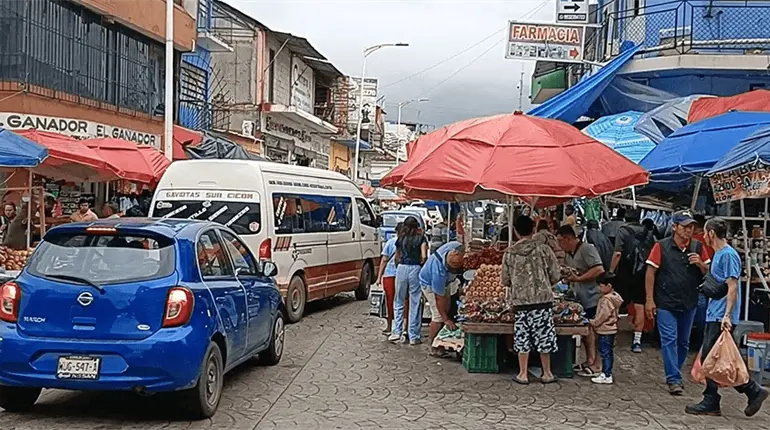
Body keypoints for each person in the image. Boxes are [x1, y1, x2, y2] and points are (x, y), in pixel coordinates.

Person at [686, 217, 770, 417]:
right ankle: (743, 392)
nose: (704, 236)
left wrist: (727, 316)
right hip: (714, 313)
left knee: (713, 359)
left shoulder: (728, 255)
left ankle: (725, 396)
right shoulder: (718, 255)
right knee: (713, 358)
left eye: (705, 233)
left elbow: (732, 287)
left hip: (720, 316)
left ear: (711, 234)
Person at [645, 210, 711, 395]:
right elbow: (650, 272)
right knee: (669, 340)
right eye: (685, 227)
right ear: (674, 227)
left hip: (689, 301)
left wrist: (701, 264)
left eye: (691, 227)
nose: (688, 230)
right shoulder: (661, 247)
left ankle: (675, 372)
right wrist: (650, 300)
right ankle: (673, 378)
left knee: (683, 342)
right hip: (665, 301)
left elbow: (710, 272)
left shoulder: (698, 247)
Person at [503, 215, 561, 385]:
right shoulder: (544, 249)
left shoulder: (509, 253)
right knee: (544, 336)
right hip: (542, 301)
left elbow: (505, 280)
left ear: (515, 231)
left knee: (522, 337)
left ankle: (522, 374)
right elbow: (556, 274)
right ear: (534, 229)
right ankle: (547, 373)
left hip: (521, 303)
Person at [557, 225, 605, 377]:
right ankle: (589, 359)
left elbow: (598, 269)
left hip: (592, 297)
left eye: (560, 241)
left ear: (568, 239)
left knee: (593, 330)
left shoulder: (587, 249)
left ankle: (596, 363)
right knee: (585, 331)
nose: (559, 245)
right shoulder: (568, 254)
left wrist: (579, 279)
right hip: (579, 298)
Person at [609, 208, 655, 353]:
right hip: (642, 274)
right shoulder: (648, 232)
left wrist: (610, 272)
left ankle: (612, 337)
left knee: (615, 304)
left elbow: (617, 253)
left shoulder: (623, 231)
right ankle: (637, 341)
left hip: (625, 272)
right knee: (640, 306)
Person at [419, 240, 464, 356]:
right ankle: (433, 346)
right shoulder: (438, 273)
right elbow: (439, 298)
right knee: (438, 315)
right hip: (428, 284)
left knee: (446, 308)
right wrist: (445, 319)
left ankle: (443, 341)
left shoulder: (455, 247)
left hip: (446, 282)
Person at [390, 216, 428, 345]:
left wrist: (399, 267)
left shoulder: (401, 239)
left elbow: (397, 256)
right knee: (415, 302)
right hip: (415, 268)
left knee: (399, 301)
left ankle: (397, 332)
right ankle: (413, 336)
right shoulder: (421, 239)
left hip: (402, 268)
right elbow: (424, 256)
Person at [590, 272, 623, 385]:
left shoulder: (606, 300)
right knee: (608, 352)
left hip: (605, 329)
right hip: (612, 328)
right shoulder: (615, 297)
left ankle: (606, 374)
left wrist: (594, 322)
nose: (599, 288)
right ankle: (606, 373)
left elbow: (603, 315)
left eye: (601, 285)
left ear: (608, 285)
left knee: (605, 353)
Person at [691, 214, 715, 352]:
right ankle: (700, 344)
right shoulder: (709, 243)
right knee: (703, 317)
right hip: (707, 283)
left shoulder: (695, 242)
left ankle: (696, 344)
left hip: (698, 283)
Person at [377, 222, 404, 336]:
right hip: (402, 275)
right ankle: (403, 326)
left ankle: (389, 326)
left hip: (389, 275)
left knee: (390, 301)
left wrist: (379, 277)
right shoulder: (408, 243)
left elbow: (384, 260)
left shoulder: (390, 242)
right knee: (403, 300)